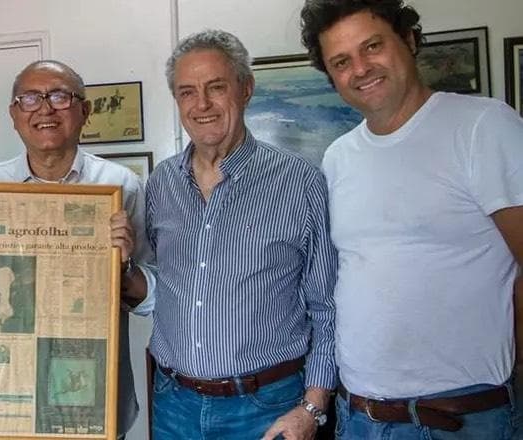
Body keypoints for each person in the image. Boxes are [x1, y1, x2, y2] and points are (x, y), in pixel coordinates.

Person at [300, 1, 523, 438]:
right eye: (341, 62)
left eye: (372, 47)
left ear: (409, 39)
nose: (360, 69)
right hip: (358, 417)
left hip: (461, 418)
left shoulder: (483, 126)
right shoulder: (338, 157)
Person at [146, 29, 337, 440]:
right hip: (173, 405)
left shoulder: (299, 182)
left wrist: (313, 407)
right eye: (187, 92)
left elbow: (327, 307)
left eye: (216, 87)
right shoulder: (161, 183)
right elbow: (153, 282)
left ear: (245, 89)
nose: (201, 104)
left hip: (266, 408)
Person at [0, 59, 156, 439]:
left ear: (84, 111)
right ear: (14, 114)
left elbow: (150, 300)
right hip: (10, 394)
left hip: (93, 394)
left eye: (59, 96)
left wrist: (123, 266)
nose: (44, 109)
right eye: (29, 98)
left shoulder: (121, 185)